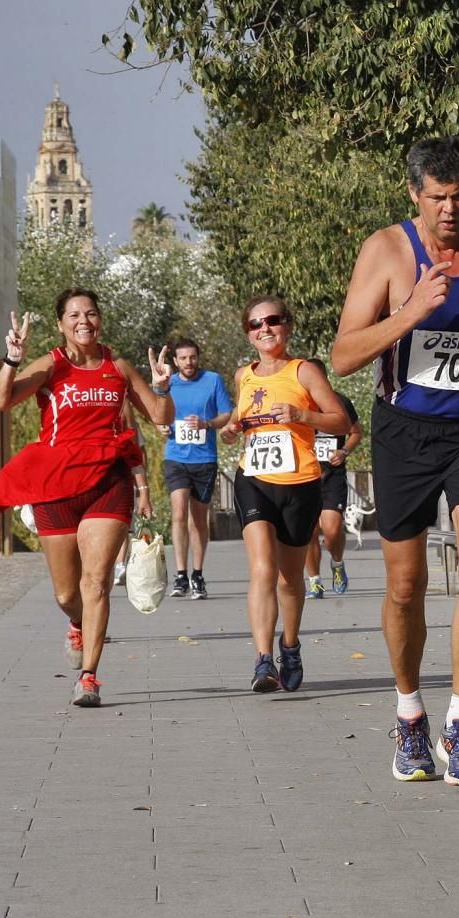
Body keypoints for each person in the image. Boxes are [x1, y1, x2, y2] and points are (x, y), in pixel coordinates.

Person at [332, 136, 459, 788]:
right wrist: (408, 312)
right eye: (438, 197)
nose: (450, 209)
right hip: (403, 432)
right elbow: (344, 354)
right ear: (414, 192)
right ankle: (409, 709)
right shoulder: (386, 251)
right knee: (406, 585)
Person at [0, 288, 173, 707]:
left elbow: (161, 417)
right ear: (61, 323)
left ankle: (89, 677)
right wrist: (13, 358)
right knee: (67, 594)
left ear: (100, 319)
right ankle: (76, 621)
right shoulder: (52, 365)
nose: (83, 320)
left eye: (91, 313)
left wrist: (163, 387)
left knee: (97, 582)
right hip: (56, 487)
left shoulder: (117, 367)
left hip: (109, 481)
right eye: (74, 315)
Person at [220, 296, 350, 694]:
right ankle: (263, 661)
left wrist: (303, 416)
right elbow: (238, 420)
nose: (264, 329)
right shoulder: (244, 375)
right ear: (248, 333)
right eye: (255, 324)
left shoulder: (304, 371)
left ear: (287, 326)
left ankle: (289, 645)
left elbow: (341, 419)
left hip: (300, 483)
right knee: (261, 569)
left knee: (290, 579)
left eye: (272, 321)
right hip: (254, 479)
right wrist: (230, 429)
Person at [159, 338, 234, 599]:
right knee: (179, 512)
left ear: (197, 358)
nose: (188, 362)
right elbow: (158, 413)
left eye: (192, 357)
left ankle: (197, 574)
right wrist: (162, 426)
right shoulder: (168, 384)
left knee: (199, 519)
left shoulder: (212, 380)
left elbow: (227, 414)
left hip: (204, 459)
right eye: (183, 358)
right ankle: (180, 574)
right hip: (176, 457)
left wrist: (207, 423)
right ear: (175, 361)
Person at [302, 358, 363, 598]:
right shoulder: (296, 404)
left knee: (332, 529)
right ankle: (314, 581)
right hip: (305, 476)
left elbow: (356, 433)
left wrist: (344, 451)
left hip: (332, 476)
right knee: (308, 531)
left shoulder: (340, 403)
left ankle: (337, 564)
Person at [113, 400, 154, 587]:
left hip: (125, 479)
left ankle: (120, 564)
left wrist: (143, 488)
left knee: (123, 525)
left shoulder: (130, 425)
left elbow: (140, 453)